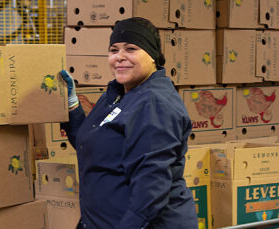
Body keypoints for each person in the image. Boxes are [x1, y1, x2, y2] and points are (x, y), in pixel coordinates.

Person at [60, 17, 198, 229]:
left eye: (131, 49)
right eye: (114, 50)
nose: (120, 57)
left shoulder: (154, 104)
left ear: (153, 57)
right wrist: (71, 104)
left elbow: (150, 190)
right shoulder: (118, 95)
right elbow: (89, 144)